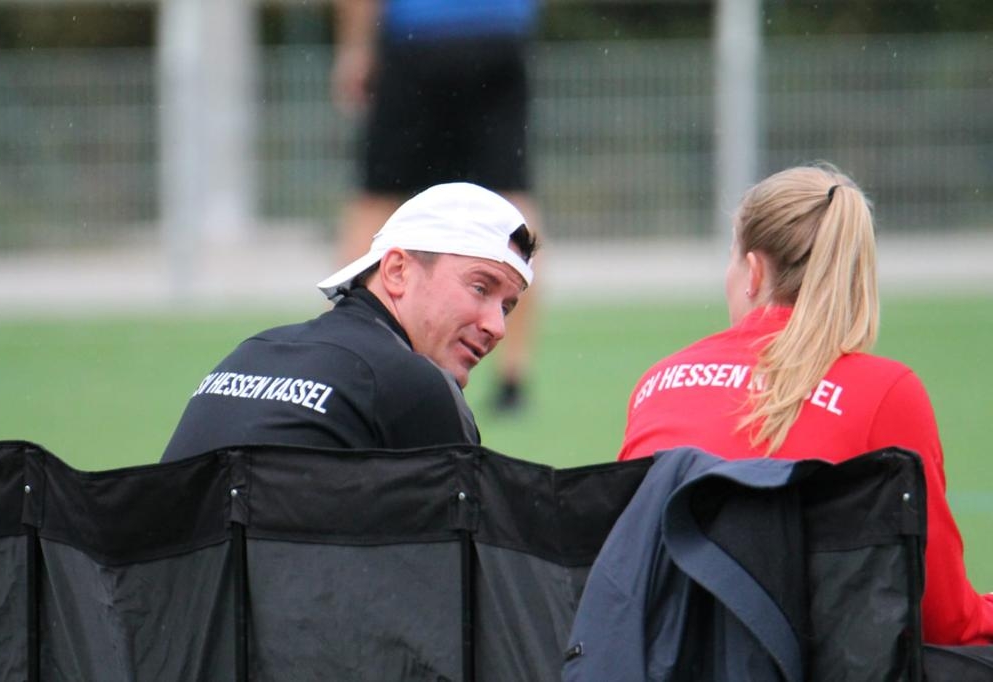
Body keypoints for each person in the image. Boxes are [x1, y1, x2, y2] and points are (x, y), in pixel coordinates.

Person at [616, 162, 993, 646]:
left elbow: (626, 572)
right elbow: (943, 620)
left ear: (753, 272)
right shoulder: (888, 393)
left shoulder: (656, 384)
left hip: (665, 661)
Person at [161, 182, 537, 463]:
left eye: (506, 308)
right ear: (397, 271)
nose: (497, 328)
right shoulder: (417, 387)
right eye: (479, 288)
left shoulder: (248, 355)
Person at [330, 0, 542, 413]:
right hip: (499, 34)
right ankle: (513, 375)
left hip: (417, 38)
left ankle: (343, 356)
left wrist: (355, 48)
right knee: (512, 198)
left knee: (377, 200)